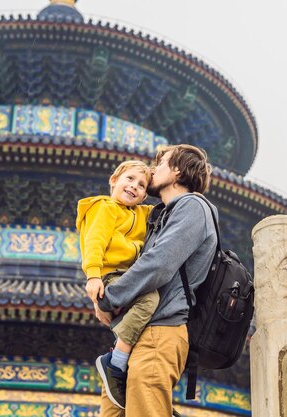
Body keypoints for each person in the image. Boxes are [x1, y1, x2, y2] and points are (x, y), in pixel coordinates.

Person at [94, 144, 217, 417]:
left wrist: (109, 298)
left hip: (161, 331)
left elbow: (158, 265)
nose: (152, 170)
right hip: (135, 332)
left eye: (159, 164)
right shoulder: (161, 214)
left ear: (176, 171)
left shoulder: (193, 208)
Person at [75, 160, 157, 409]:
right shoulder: (104, 207)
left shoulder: (142, 214)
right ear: (113, 180)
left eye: (142, 185)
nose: (134, 187)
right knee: (150, 299)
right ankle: (116, 361)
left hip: (128, 276)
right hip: (111, 276)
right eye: (129, 179)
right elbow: (95, 241)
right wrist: (93, 276)